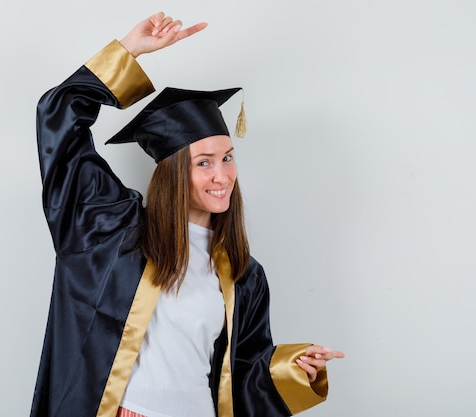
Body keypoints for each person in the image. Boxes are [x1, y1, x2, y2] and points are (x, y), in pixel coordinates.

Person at [31, 12, 344, 417]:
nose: (222, 175)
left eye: (227, 158)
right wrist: (128, 52)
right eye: (204, 162)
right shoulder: (109, 233)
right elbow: (57, 121)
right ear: (175, 173)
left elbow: (242, 375)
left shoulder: (244, 275)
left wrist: (294, 368)